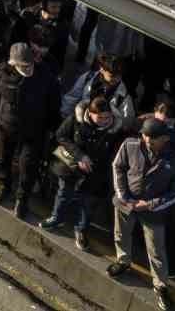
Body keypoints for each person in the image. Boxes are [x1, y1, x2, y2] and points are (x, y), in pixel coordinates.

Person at [108, 118, 175, 311]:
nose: (147, 140)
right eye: (144, 135)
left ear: (165, 138)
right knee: (121, 234)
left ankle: (160, 285)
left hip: (153, 212)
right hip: (126, 203)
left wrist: (151, 204)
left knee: (156, 250)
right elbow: (117, 167)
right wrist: (123, 196)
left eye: (153, 137)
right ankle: (123, 260)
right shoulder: (130, 144)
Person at [0, 41, 62, 221]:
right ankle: (4, 185)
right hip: (6, 126)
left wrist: (52, 128)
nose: (29, 69)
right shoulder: (1, 72)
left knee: (27, 167)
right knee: (3, 159)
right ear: (13, 63)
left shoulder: (46, 76)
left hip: (33, 131)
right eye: (24, 66)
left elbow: (54, 103)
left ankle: (22, 199)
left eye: (30, 65)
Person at [42, 95, 123, 251]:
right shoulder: (75, 120)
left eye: (108, 117)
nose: (105, 121)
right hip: (72, 167)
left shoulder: (115, 131)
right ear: (89, 113)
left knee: (88, 203)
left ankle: (81, 230)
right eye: (100, 117)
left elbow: (116, 155)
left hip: (96, 173)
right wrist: (80, 156)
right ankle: (57, 218)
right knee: (63, 193)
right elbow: (61, 136)